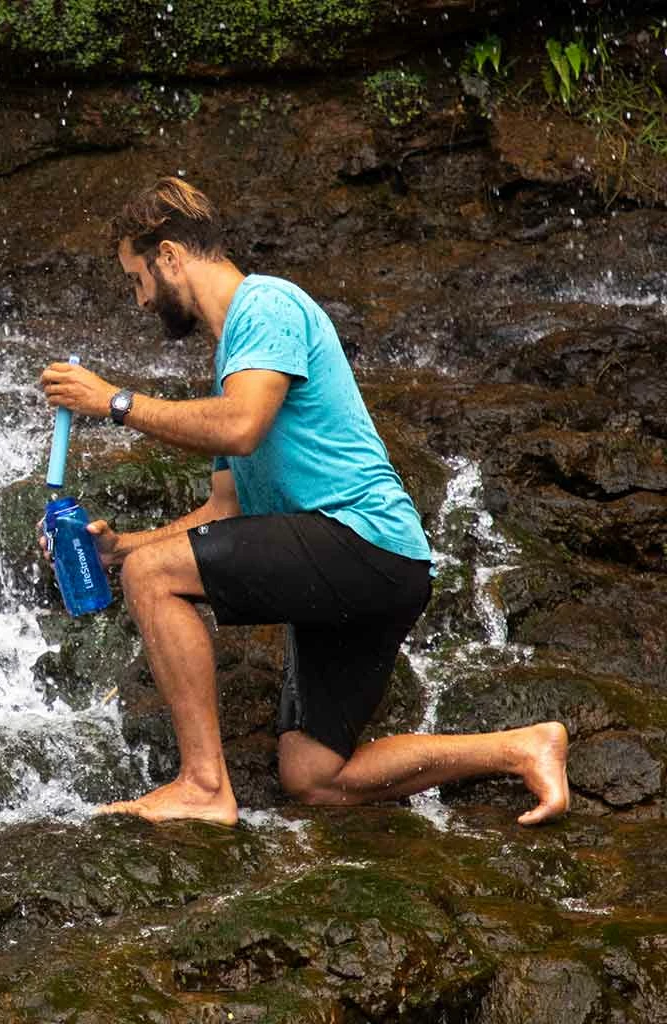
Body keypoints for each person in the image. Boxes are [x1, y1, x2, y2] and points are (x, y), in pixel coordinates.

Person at [40, 176, 569, 828]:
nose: (141, 299)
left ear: (171, 256)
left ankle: (204, 786)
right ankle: (523, 746)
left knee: (157, 579)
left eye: (137, 277)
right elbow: (224, 512)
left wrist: (113, 403)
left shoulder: (266, 307)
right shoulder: (236, 357)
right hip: (378, 567)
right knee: (315, 777)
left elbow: (240, 426)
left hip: (362, 539)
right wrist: (122, 549)